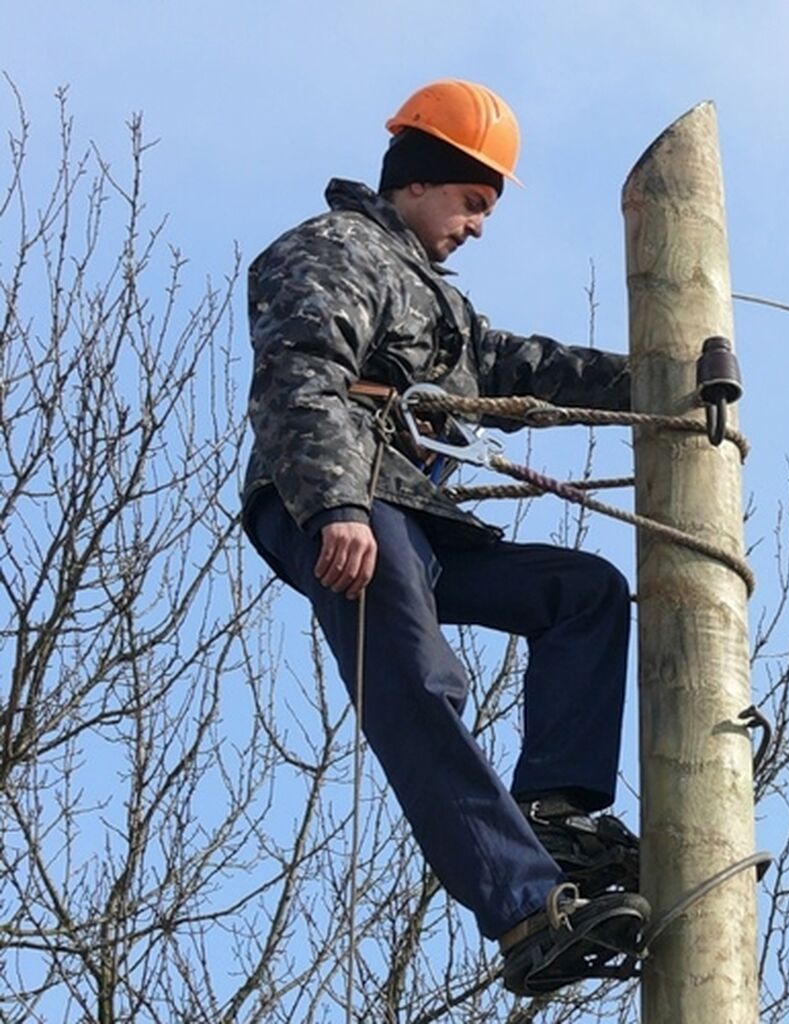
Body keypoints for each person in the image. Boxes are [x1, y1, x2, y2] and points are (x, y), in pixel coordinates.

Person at [241, 79, 648, 995]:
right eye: (472, 203)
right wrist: (336, 507)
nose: (477, 227)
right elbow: (302, 370)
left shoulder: (435, 302)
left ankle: (556, 814)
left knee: (579, 592)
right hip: (340, 499)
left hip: (416, 517)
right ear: (421, 181)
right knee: (418, 683)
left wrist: (656, 379)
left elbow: (515, 368)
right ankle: (522, 908)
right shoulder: (335, 250)